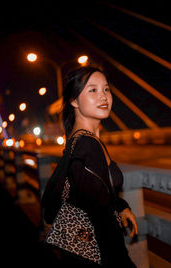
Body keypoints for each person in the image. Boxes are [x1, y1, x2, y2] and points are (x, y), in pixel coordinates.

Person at [42, 65, 138, 267]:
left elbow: (93, 194)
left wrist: (120, 207)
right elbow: (101, 220)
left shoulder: (77, 140)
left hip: (80, 253)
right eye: (92, 90)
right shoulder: (88, 146)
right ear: (73, 100)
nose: (103, 96)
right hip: (100, 254)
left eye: (106, 89)